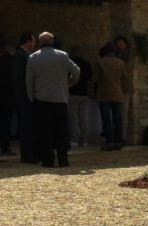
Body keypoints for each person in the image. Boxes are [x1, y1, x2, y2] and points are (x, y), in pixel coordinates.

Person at [25, 31, 80, 167]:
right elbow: (76, 71)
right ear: (52, 42)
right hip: (60, 97)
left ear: (39, 42)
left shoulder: (33, 58)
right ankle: (63, 160)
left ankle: (48, 160)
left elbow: (28, 80)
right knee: (61, 130)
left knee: (46, 131)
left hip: (42, 99)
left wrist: (31, 96)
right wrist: (70, 82)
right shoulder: (62, 56)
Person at [95, 43, 130, 151]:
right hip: (117, 93)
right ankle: (118, 141)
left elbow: (95, 78)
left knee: (106, 119)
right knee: (117, 118)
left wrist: (93, 90)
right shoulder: (121, 63)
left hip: (104, 93)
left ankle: (109, 142)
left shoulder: (100, 62)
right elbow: (125, 78)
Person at [12, 31, 36, 163]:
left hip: (24, 96)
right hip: (24, 97)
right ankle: (27, 154)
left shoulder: (23, 55)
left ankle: (29, 153)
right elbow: (19, 78)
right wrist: (27, 95)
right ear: (27, 41)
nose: (34, 44)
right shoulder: (21, 55)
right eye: (32, 41)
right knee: (26, 126)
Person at [67, 47, 93, 148]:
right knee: (83, 117)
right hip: (84, 94)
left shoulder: (71, 63)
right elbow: (91, 78)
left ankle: (74, 138)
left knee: (73, 117)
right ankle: (84, 139)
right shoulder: (86, 64)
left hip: (73, 93)